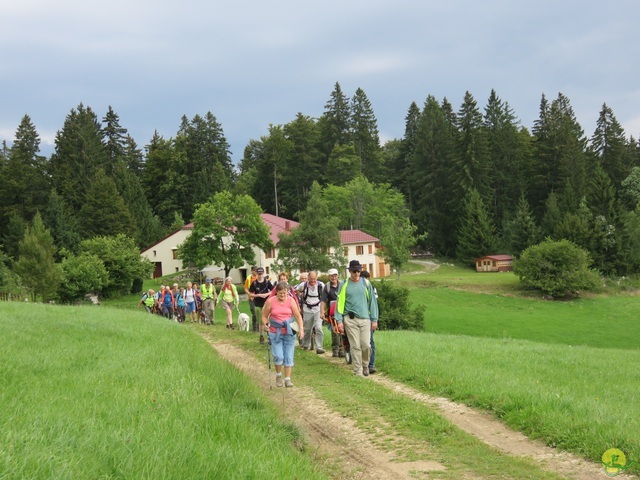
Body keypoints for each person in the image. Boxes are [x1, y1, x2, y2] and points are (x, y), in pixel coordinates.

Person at [335, 260, 379, 377]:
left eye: (359, 271)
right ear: (350, 272)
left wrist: (374, 319)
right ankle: (358, 370)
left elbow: (372, 303)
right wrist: (339, 321)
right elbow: (339, 304)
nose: (357, 274)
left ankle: (365, 365)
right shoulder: (344, 285)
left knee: (366, 345)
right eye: (354, 271)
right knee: (355, 346)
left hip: (365, 319)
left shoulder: (366, 284)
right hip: (350, 320)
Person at [262, 281, 304, 387]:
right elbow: (264, 315)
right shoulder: (270, 301)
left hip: (289, 332)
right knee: (278, 356)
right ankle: (278, 375)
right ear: (276, 292)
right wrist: (265, 324)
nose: (283, 296)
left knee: (288, 356)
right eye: (281, 293)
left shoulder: (291, 301)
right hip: (275, 332)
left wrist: (301, 329)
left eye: (285, 293)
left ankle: (288, 379)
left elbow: (298, 316)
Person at [297, 271, 325, 354]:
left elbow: (325, 295)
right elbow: (297, 290)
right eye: (311, 279)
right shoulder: (304, 285)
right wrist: (301, 295)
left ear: (316, 278)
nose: (313, 280)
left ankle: (319, 347)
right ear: (308, 278)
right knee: (307, 329)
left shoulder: (321, 285)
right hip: (307, 309)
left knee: (318, 328)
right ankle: (306, 344)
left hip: (318, 309)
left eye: (314, 278)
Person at [321, 268, 343, 357]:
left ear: (337, 276)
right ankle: (335, 349)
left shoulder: (342, 285)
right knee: (335, 330)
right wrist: (322, 311)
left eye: (335, 275)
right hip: (332, 312)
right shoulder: (327, 287)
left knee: (343, 330)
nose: (334, 277)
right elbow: (323, 300)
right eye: (332, 276)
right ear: (329, 277)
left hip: (342, 310)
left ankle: (342, 349)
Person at [248, 267, 273, 345]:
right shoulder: (254, 283)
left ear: (263, 274)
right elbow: (250, 294)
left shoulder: (267, 282)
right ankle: (261, 336)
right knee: (260, 322)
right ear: (256, 274)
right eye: (259, 274)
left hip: (267, 304)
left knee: (268, 320)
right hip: (258, 304)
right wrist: (258, 295)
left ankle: (269, 336)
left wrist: (266, 294)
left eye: (261, 274)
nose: (260, 275)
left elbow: (273, 291)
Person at [360, 270, 378, 373]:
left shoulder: (372, 289)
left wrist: (374, 319)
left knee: (370, 341)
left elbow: (373, 304)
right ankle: (363, 363)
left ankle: (371, 364)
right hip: (360, 317)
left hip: (370, 318)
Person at [244, 266, 258, 331]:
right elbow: (245, 288)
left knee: (259, 312)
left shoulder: (260, 277)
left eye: (256, 270)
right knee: (254, 312)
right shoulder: (249, 278)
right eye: (254, 270)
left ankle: (259, 327)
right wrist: (250, 294)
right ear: (252, 271)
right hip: (252, 298)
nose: (256, 271)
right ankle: (255, 328)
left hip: (259, 297)